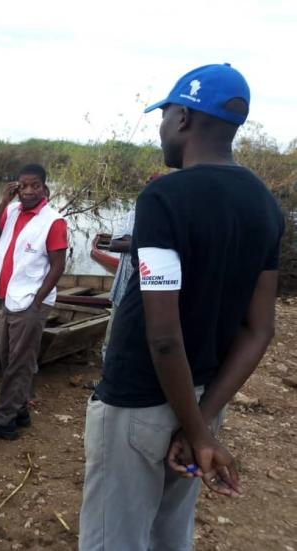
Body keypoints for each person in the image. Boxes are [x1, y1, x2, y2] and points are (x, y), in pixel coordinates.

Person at [79, 63, 284, 551]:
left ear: (185, 119)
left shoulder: (165, 197)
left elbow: (164, 334)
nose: (160, 127)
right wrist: (203, 425)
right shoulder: (265, 205)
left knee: (116, 539)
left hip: (137, 402)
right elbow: (260, 330)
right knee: (169, 534)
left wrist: (196, 428)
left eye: (164, 114)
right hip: (201, 396)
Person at [0, 164, 68, 440]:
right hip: (10, 297)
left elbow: (58, 266)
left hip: (30, 302)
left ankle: (3, 421)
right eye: (23, 185)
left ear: (44, 188)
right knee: (9, 357)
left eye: (34, 186)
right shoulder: (12, 211)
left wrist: (37, 301)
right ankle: (20, 411)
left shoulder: (53, 221)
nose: (28, 191)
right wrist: (4, 201)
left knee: (18, 362)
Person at [98, 173, 163, 365]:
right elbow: (114, 245)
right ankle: (106, 380)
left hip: (153, 292)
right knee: (113, 338)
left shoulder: (171, 216)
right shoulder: (133, 215)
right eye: (148, 186)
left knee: (146, 339)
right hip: (123, 289)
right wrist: (151, 241)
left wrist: (132, 240)